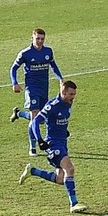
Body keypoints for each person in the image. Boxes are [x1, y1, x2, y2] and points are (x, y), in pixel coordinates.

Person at [18, 79, 86, 213]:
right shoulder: (53, 105)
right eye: (71, 94)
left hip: (62, 142)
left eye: (74, 94)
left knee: (61, 179)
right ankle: (74, 204)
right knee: (70, 169)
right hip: (53, 144)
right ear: (63, 93)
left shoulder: (67, 103)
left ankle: (33, 171)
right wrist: (40, 140)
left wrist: (63, 131)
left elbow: (58, 121)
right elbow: (35, 122)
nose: (74, 97)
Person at [9, 27, 64, 156]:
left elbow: (53, 66)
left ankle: (20, 114)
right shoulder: (25, 53)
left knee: (42, 118)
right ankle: (33, 147)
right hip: (31, 88)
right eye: (37, 38)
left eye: (42, 39)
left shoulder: (48, 51)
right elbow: (13, 68)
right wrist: (14, 83)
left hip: (44, 87)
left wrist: (60, 78)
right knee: (35, 117)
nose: (40, 41)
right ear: (32, 38)